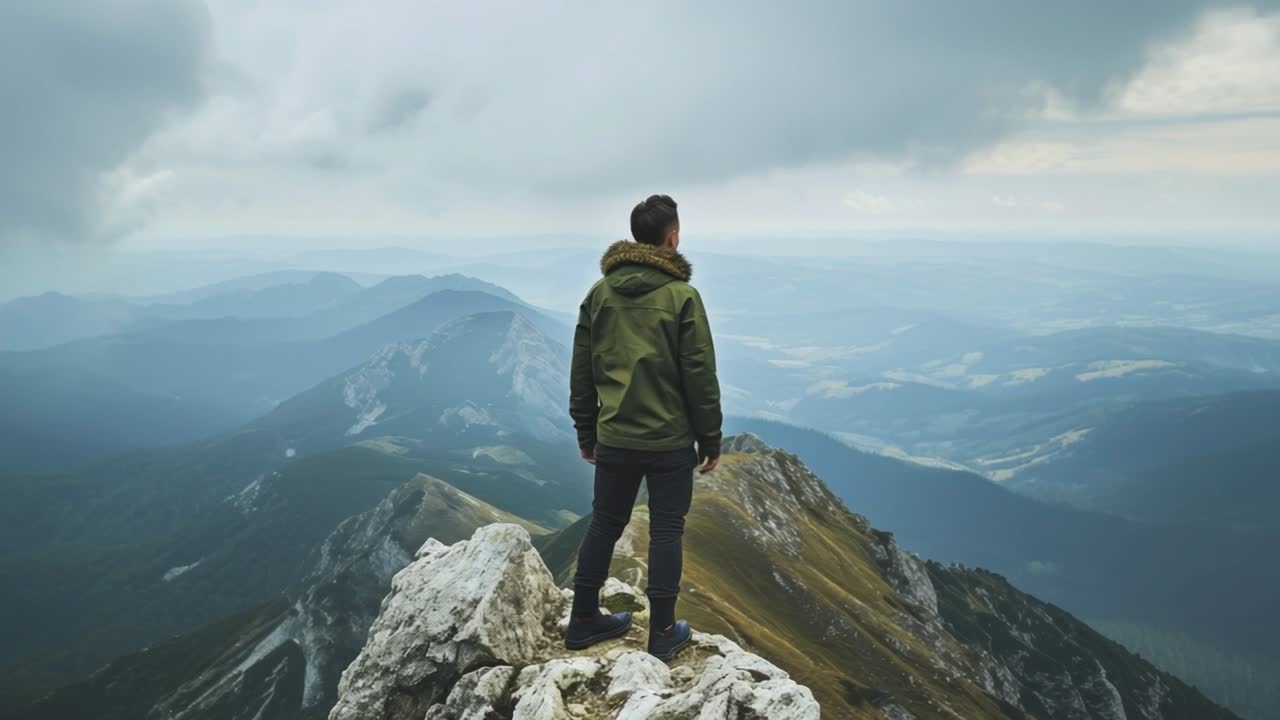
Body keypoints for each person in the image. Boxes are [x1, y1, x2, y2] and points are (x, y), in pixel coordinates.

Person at [564, 193, 723, 662]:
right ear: (672, 237)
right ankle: (663, 632)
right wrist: (709, 436)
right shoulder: (682, 297)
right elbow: (700, 374)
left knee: (605, 523)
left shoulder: (599, 294)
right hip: (670, 441)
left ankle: (582, 619)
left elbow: (582, 370)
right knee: (667, 529)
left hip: (614, 435)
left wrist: (585, 430)